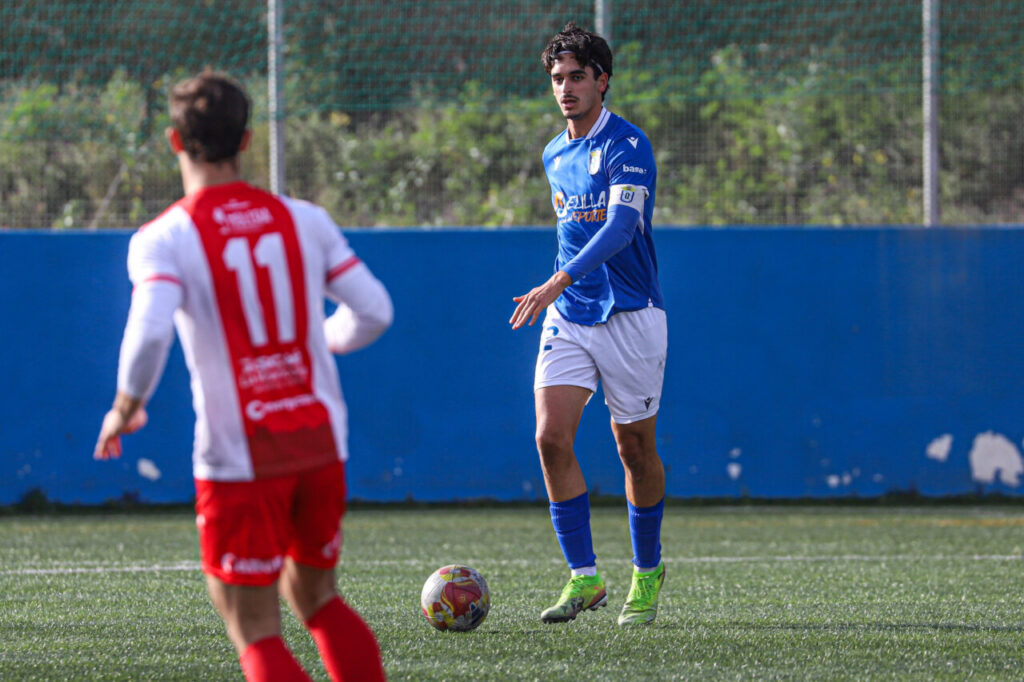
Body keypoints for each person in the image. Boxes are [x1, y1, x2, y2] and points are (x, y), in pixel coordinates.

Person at [94, 71, 392, 681]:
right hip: (318, 442)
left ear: (176, 143)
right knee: (320, 601)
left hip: (240, 458)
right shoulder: (304, 219)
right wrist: (321, 341)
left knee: (253, 629)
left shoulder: (165, 237)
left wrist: (125, 407)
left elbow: (150, 332)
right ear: (248, 139)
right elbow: (375, 311)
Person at [510, 22, 668, 627]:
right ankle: (584, 579)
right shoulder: (554, 152)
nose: (566, 88)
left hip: (631, 315)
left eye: (578, 76)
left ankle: (647, 573)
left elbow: (621, 228)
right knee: (550, 438)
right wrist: (560, 292)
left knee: (634, 449)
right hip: (571, 316)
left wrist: (556, 280)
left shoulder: (629, 144)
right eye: (557, 79)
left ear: (602, 80)